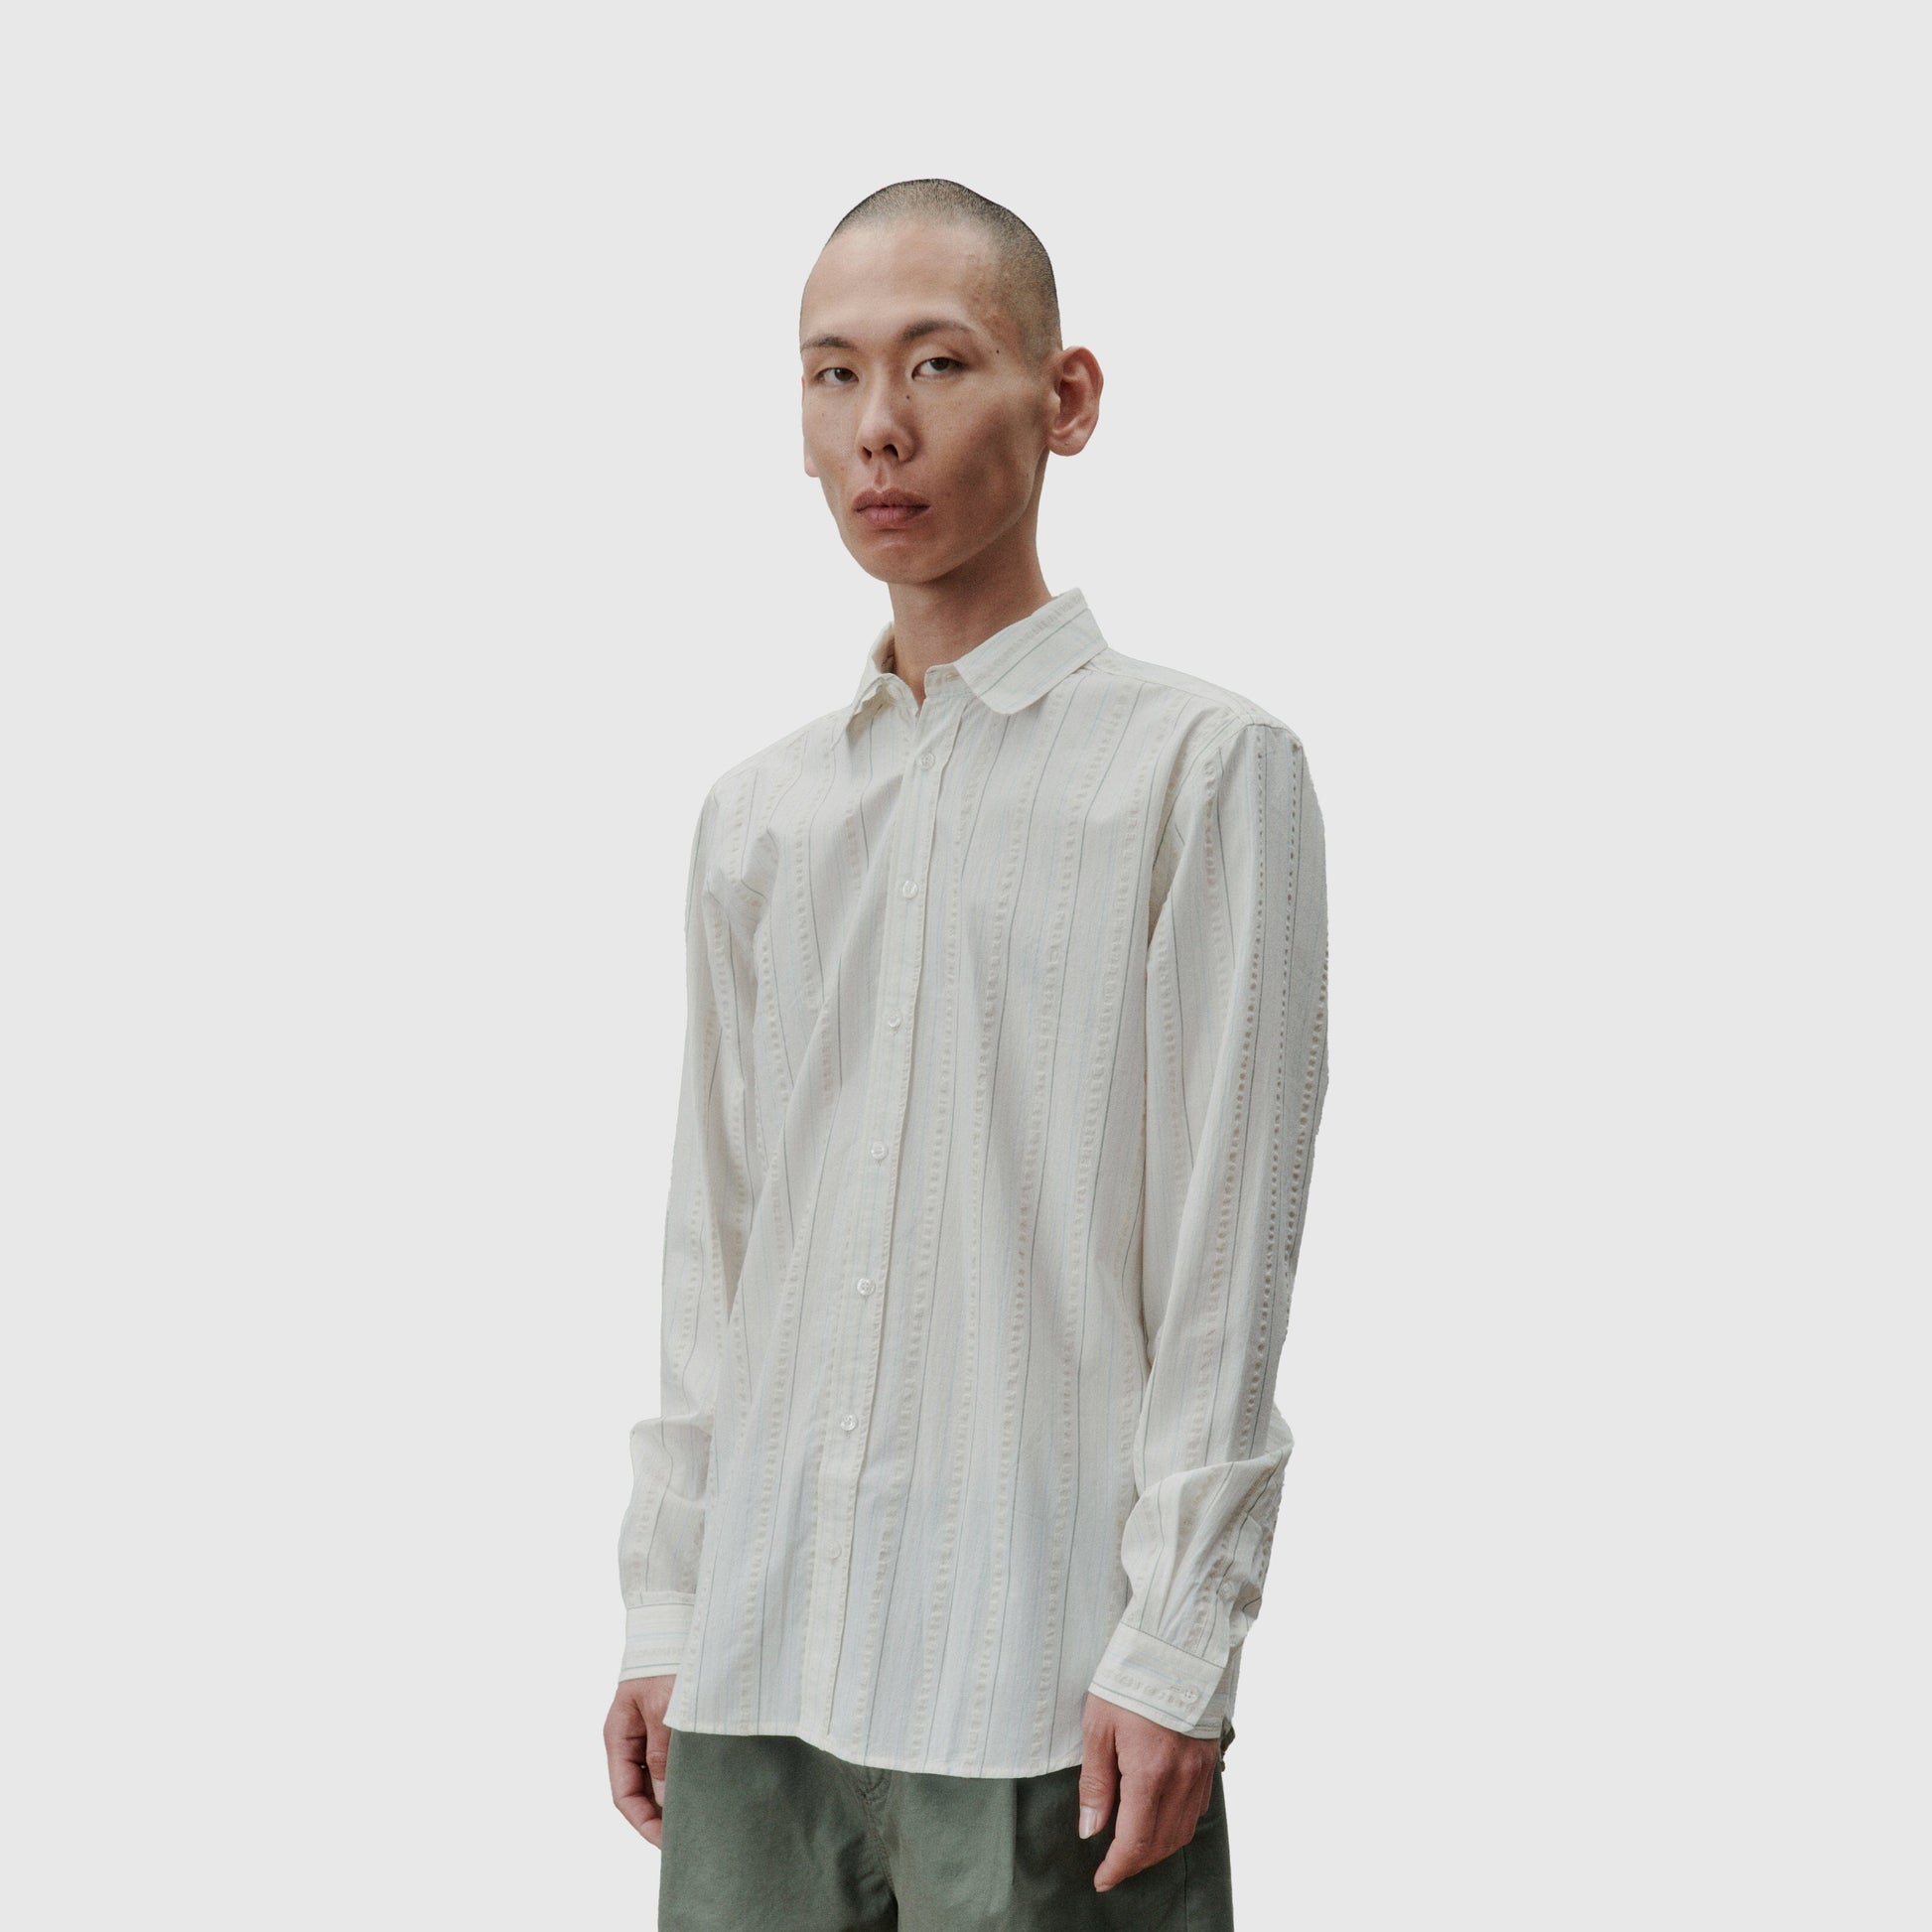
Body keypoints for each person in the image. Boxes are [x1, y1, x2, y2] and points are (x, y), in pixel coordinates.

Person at [602, 178, 1330, 1930]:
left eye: (937, 362)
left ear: (1064, 399)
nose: (880, 426)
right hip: (759, 1666)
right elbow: (717, 1243)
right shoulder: (760, 815)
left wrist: (1178, 1642)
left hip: (1037, 1681)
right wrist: (666, 1603)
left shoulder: (1199, 770)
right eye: (832, 373)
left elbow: (1227, 1257)